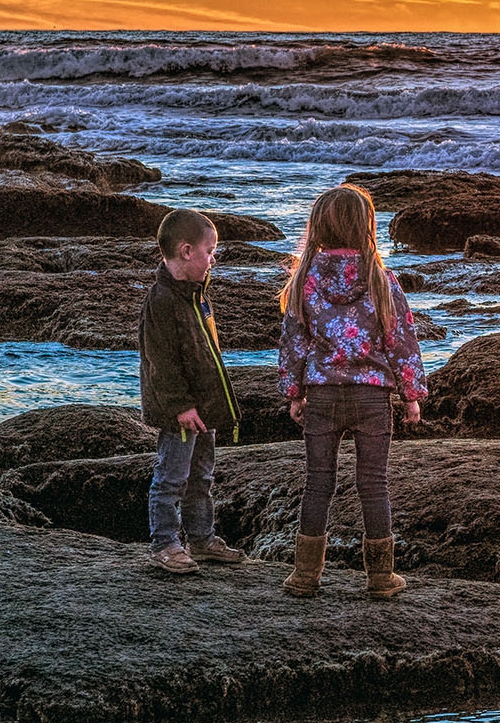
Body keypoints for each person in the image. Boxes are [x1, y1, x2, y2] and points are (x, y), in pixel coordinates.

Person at [277, 184, 427, 599]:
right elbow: (401, 341)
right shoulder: (382, 280)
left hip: (322, 395)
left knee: (317, 483)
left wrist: (294, 392)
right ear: (366, 227)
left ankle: (305, 575)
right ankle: (380, 577)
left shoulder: (304, 280)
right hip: (372, 397)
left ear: (318, 227)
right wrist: (411, 395)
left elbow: (293, 342)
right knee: (373, 485)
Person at [139, 208, 244, 574]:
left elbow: (207, 352)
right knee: (172, 477)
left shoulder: (197, 295)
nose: (213, 259)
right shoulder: (162, 301)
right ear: (186, 251)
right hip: (181, 412)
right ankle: (165, 542)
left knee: (202, 475)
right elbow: (161, 363)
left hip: (205, 406)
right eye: (209, 251)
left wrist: (209, 400)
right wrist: (181, 405)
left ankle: (201, 538)